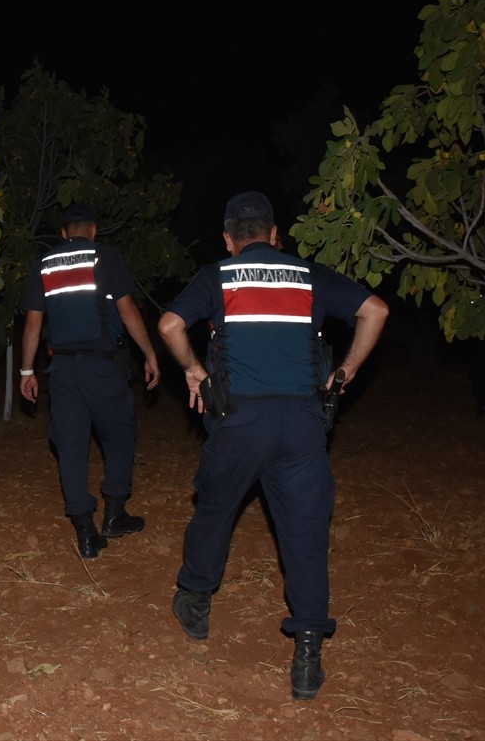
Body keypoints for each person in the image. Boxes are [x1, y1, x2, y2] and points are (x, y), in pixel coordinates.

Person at [157, 191, 389, 701]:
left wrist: (194, 370)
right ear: (275, 234)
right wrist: (343, 373)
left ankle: (195, 603)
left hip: (240, 421)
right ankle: (308, 654)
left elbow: (171, 324)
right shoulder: (308, 275)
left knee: (215, 511)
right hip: (303, 424)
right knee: (305, 535)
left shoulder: (218, 275)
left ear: (228, 239)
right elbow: (375, 310)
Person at [19, 202, 161, 559]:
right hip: (103, 368)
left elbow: (33, 323)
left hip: (62, 371)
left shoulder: (45, 264)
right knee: (118, 436)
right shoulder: (106, 258)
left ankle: (85, 530)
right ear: (94, 230)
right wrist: (150, 353)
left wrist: (26, 371)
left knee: (70, 446)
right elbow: (128, 311)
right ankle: (114, 515)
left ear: (64, 233)